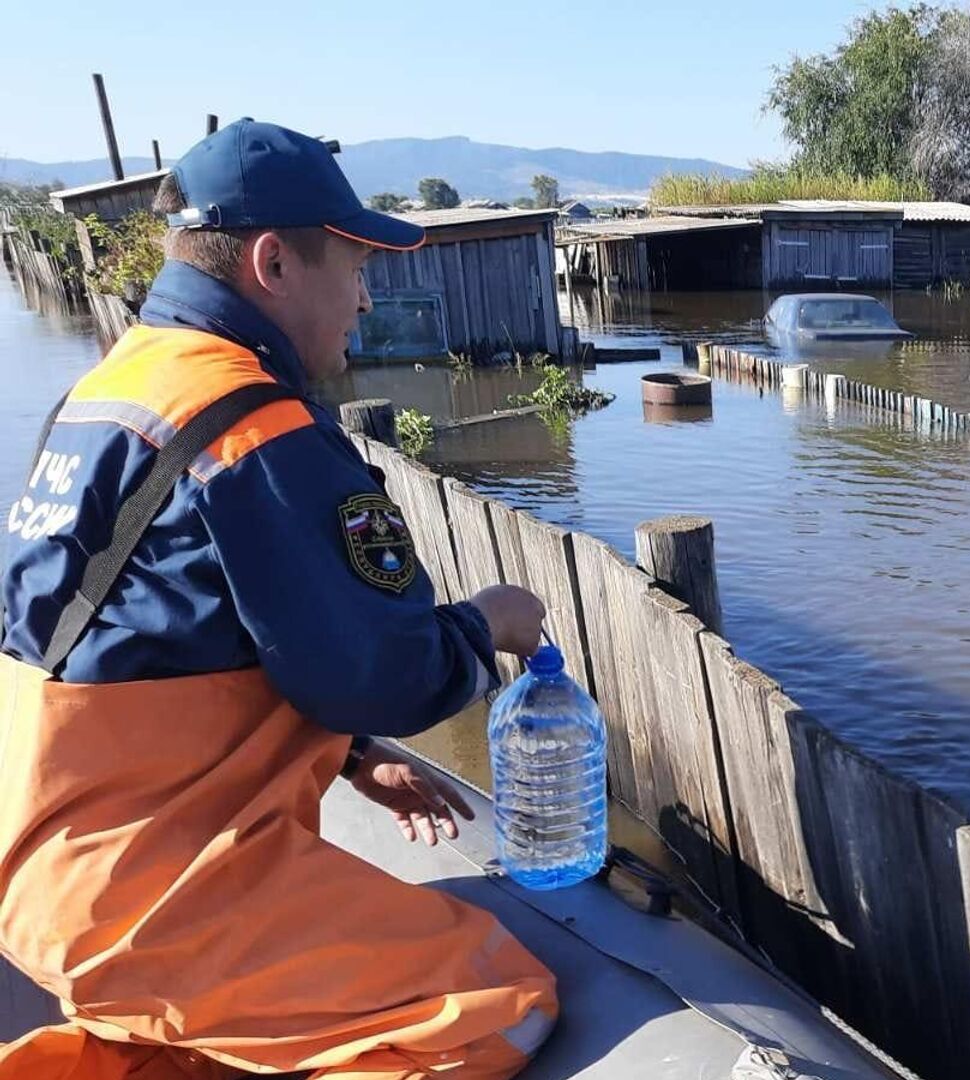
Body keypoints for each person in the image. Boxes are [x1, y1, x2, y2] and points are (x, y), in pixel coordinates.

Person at [0, 121, 558, 1079]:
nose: (366, 296)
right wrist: (486, 624)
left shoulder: (110, 389)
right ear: (274, 264)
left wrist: (344, 758)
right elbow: (381, 672)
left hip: (46, 864)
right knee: (497, 1006)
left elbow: (141, 639)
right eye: (352, 264)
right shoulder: (254, 426)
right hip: (152, 897)